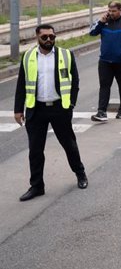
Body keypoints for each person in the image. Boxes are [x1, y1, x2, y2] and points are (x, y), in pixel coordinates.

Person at [14, 25, 88, 201]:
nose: (49, 40)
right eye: (45, 37)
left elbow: (75, 81)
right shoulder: (28, 57)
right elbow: (21, 84)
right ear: (37, 38)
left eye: (52, 37)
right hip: (36, 110)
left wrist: (70, 104)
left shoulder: (65, 55)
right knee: (35, 150)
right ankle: (37, 186)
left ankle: (80, 174)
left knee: (69, 144)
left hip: (59, 109)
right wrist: (18, 109)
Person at [89, 1, 121, 122]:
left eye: (114, 11)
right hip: (105, 60)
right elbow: (92, 32)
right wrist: (101, 22)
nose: (111, 13)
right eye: (110, 11)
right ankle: (101, 111)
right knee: (104, 85)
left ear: (120, 10)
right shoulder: (104, 21)